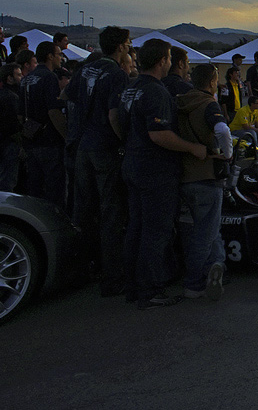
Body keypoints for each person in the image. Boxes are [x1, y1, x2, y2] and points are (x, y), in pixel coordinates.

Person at [119, 38, 207, 309]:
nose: (171, 62)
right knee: (156, 231)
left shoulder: (131, 89)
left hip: (132, 164)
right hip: (155, 171)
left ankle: (133, 287)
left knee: (136, 227)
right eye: (169, 58)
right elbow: (159, 134)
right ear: (161, 62)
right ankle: (151, 290)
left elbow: (116, 120)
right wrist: (193, 148)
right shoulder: (156, 93)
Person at [68, 25, 131, 297]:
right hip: (105, 149)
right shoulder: (116, 74)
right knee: (111, 214)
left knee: (83, 212)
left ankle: (78, 272)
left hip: (82, 147)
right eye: (128, 43)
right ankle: (112, 279)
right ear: (119, 47)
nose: (129, 47)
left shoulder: (84, 69)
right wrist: (125, 142)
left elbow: (66, 98)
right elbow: (114, 116)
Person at [175, 63, 231, 300]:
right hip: (207, 176)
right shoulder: (208, 104)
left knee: (208, 228)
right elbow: (223, 130)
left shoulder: (180, 102)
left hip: (183, 176)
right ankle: (194, 283)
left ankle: (216, 265)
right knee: (204, 234)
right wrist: (227, 155)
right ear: (211, 82)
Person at [21, 41, 67, 206]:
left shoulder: (26, 79)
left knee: (34, 190)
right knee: (54, 192)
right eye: (58, 54)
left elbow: (20, 114)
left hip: (30, 141)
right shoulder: (49, 77)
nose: (61, 58)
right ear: (50, 56)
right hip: (49, 142)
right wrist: (67, 137)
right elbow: (53, 112)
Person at [0, 63, 22, 190]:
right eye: (18, 75)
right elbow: (15, 123)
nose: (21, 77)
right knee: (7, 182)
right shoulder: (12, 97)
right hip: (9, 143)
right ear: (9, 78)